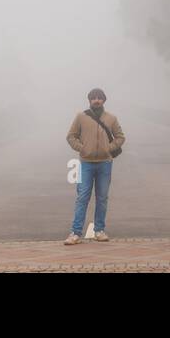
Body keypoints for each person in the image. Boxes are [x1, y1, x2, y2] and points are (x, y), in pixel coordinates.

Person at [64, 88, 125, 245]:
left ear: (104, 100)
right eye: (93, 98)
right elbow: (71, 136)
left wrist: (108, 149)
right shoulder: (81, 117)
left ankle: (99, 230)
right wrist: (82, 148)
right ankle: (75, 233)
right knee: (82, 197)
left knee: (102, 198)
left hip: (105, 163)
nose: (96, 100)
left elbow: (120, 137)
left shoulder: (111, 118)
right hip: (85, 163)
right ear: (89, 100)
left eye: (99, 98)